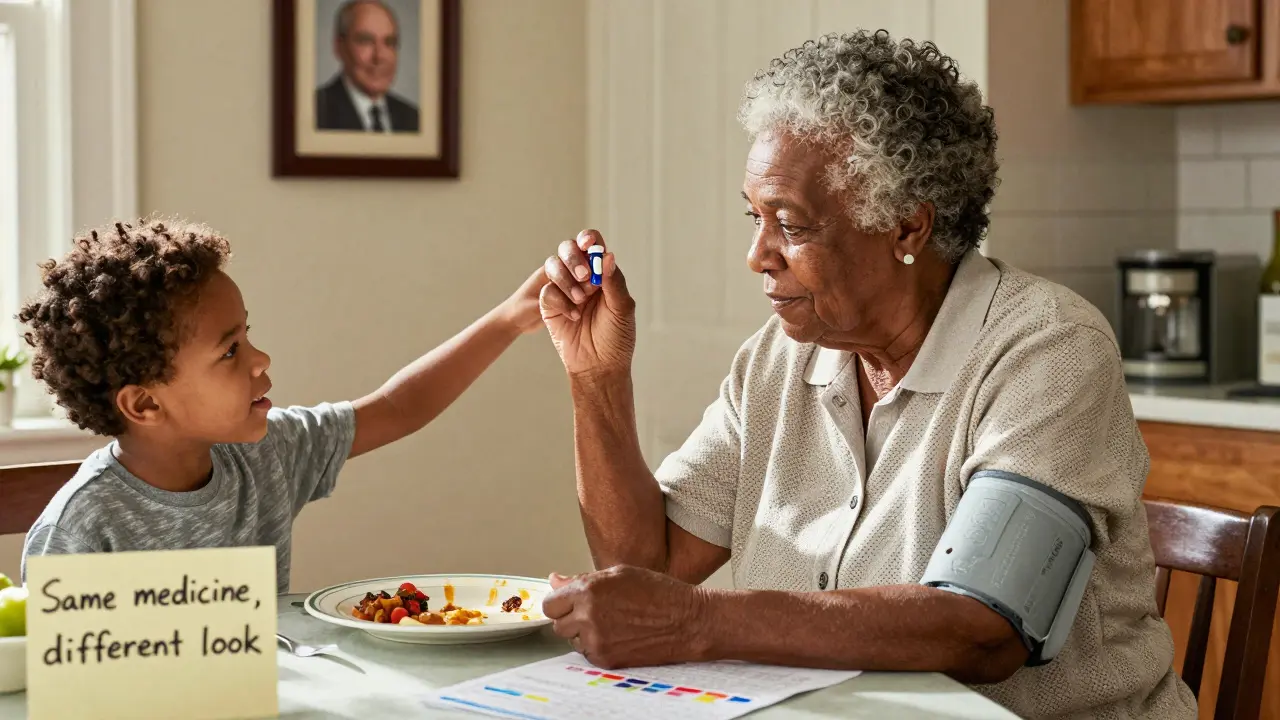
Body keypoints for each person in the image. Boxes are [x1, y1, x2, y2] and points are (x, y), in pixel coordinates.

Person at [534, 30, 1197, 719]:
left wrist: (699, 622)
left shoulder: (1048, 349)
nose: (757, 256)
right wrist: (597, 377)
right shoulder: (777, 360)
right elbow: (653, 568)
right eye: (753, 217)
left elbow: (980, 628)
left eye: (788, 224)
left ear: (907, 228)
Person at [18, 218, 542, 593]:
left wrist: (510, 319)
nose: (261, 358)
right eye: (229, 350)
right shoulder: (80, 530)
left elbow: (400, 407)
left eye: (248, 336)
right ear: (145, 403)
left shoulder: (267, 453)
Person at [315, 0, 419, 133]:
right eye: (366, 41)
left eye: (389, 43)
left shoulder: (413, 118)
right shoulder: (316, 112)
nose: (379, 57)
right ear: (339, 47)